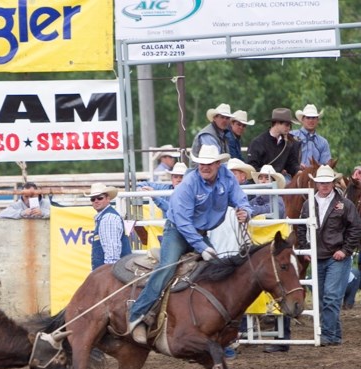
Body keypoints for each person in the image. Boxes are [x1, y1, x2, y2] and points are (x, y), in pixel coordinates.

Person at [127, 145, 252, 344]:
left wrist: (245, 211)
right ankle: (137, 315)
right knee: (166, 268)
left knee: (218, 270)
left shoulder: (227, 179)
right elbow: (183, 223)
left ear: (218, 164)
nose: (204, 167)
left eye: (209, 164)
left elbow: (240, 199)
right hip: (178, 231)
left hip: (200, 232)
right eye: (202, 163)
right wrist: (202, 247)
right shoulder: (189, 184)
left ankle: (219, 323)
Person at [295, 165, 361, 347]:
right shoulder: (309, 204)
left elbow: (355, 228)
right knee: (322, 296)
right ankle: (334, 335)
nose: (324, 185)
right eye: (321, 183)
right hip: (317, 255)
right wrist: (306, 247)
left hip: (336, 255)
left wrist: (345, 250)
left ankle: (328, 334)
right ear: (316, 184)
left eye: (327, 182)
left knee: (330, 296)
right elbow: (301, 227)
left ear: (332, 183)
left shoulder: (345, 204)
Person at [247, 108, 302, 180]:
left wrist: (298, 171)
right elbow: (252, 166)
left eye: (289, 125)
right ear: (277, 123)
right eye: (287, 125)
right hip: (261, 181)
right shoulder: (258, 142)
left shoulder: (287, 144)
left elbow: (290, 164)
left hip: (280, 179)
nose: (289, 128)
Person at [87, 183, 131, 270]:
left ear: (108, 198)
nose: (96, 201)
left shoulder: (108, 218)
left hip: (109, 272)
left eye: (100, 198)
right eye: (93, 199)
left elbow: (112, 252)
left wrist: (108, 273)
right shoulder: (106, 217)